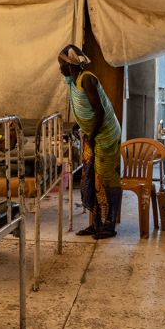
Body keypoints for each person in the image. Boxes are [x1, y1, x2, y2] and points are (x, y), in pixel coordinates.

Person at [58, 44, 122, 240]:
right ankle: (96, 225)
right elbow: (85, 108)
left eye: (61, 64)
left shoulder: (86, 79)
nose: (59, 68)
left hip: (105, 136)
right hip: (92, 134)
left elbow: (100, 111)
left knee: (105, 181)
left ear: (69, 65)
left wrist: (92, 136)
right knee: (92, 180)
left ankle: (108, 227)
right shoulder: (75, 80)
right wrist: (80, 127)